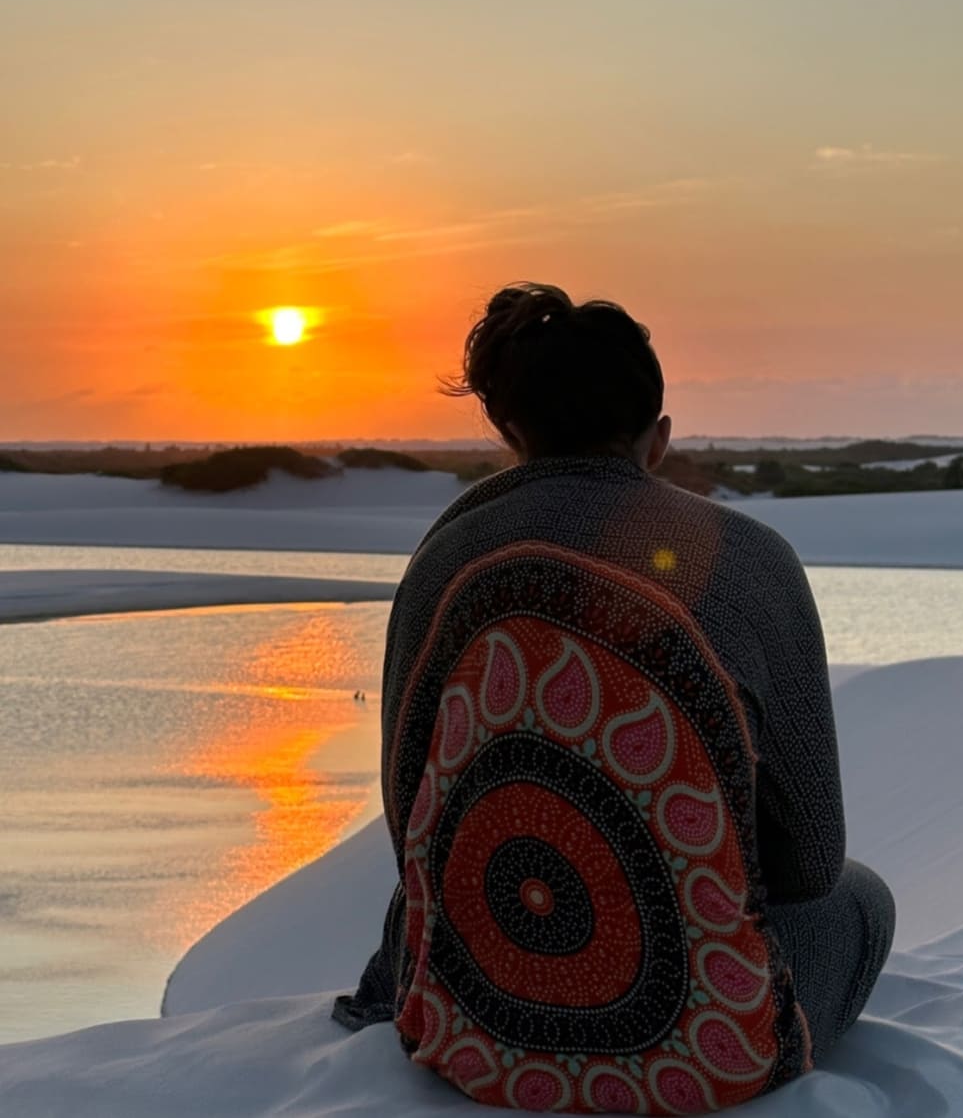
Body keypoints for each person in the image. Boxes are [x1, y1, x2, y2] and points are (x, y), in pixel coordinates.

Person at [334, 282, 894, 1114]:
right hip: (711, 1052)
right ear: (657, 439)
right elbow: (810, 859)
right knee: (862, 895)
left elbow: (405, 828)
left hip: (472, 1033)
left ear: (507, 432)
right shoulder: (753, 558)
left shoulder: (441, 562)